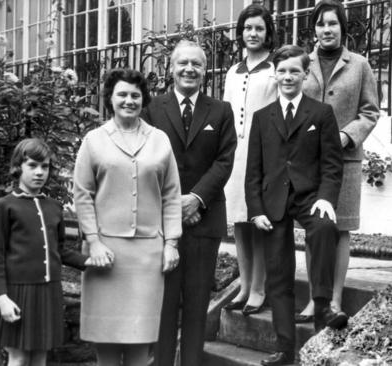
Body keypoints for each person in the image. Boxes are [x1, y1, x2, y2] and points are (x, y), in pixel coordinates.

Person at [73, 69, 182, 366]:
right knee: (106, 342)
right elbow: (82, 194)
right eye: (122, 94)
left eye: (135, 95)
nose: (129, 101)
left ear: (143, 99)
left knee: (140, 342)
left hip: (147, 255)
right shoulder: (94, 140)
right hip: (105, 255)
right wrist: (93, 242)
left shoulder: (159, 140)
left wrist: (171, 242)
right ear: (110, 98)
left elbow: (172, 195)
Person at [245, 44, 343, 366]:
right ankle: (285, 348)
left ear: (306, 74)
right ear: (275, 74)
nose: (288, 76)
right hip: (273, 202)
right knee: (278, 274)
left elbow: (331, 163)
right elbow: (254, 170)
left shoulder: (321, 113)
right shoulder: (262, 118)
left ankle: (323, 308)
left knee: (325, 229)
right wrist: (256, 209)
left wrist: (327, 199)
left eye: (294, 71)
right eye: (282, 71)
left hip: (309, 197)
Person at [141, 40, 237, 366]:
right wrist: (175, 205)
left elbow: (224, 161)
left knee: (197, 306)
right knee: (165, 306)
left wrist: (196, 199)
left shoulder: (220, 111)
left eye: (196, 64)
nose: (189, 69)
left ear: (205, 69)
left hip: (205, 221)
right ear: (171, 68)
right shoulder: (153, 110)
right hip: (162, 224)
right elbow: (146, 162)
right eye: (182, 63)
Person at [298, 0, 380, 329]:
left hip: (344, 160)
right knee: (313, 228)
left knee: (340, 228)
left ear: (343, 28)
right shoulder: (304, 63)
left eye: (332, 24)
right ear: (314, 29)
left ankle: (333, 298)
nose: (326, 30)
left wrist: (347, 136)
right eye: (320, 24)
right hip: (308, 161)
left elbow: (370, 111)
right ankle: (313, 300)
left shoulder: (359, 65)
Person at [0, 138, 100, 366]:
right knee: (18, 357)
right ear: (18, 167)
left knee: (40, 357)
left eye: (45, 166)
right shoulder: (6, 205)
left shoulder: (54, 207)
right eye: (32, 166)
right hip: (17, 293)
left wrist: (89, 260)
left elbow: (59, 250)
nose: (39, 172)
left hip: (48, 292)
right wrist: (1, 298)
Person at [222, 3, 277, 316]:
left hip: (263, 156)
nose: (253, 34)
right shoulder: (233, 70)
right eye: (247, 28)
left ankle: (259, 288)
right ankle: (243, 285)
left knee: (258, 223)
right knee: (239, 225)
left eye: (258, 28)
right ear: (241, 33)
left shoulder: (273, 69)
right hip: (235, 156)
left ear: (267, 32)